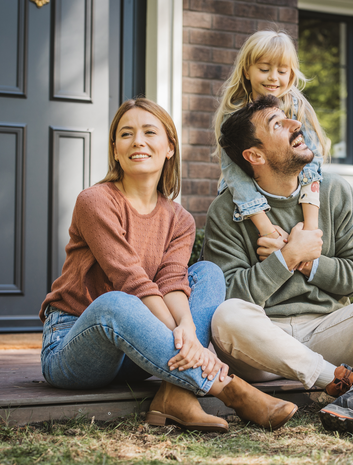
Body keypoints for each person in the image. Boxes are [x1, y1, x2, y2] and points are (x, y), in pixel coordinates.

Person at [40, 98, 298, 434]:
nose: (138, 142)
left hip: (139, 351)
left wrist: (188, 329)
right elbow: (130, 279)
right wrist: (189, 341)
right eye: (126, 134)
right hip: (75, 348)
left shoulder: (179, 219)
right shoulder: (95, 201)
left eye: (149, 132)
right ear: (115, 150)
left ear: (169, 148)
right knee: (118, 303)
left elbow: (171, 281)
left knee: (208, 273)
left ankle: (175, 395)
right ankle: (232, 390)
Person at [204, 95, 353, 446]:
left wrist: (310, 262)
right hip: (262, 342)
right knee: (226, 315)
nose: (296, 125)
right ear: (255, 156)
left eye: (289, 118)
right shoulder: (226, 210)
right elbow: (227, 293)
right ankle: (339, 383)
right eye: (277, 124)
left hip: (328, 330)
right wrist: (286, 259)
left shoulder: (335, 192)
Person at [213, 30, 328, 250]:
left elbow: (312, 162)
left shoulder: (298, 109)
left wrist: (310, 228)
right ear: (247, 71)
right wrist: (268, 231)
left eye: (282, 71)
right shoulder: (234, 116)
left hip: (295, 199)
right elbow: (236, 177)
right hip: (246, 200)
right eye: (264, 69)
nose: (273, 77)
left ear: (291, 75)